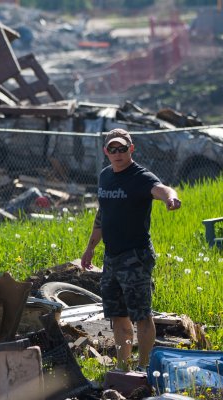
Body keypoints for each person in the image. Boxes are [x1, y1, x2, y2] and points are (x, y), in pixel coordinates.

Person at [80, 129, 181, 371]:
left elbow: (162, 189)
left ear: (131, 149)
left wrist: (171, 198)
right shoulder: (105, 176)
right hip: (112, 258)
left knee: (142, 316)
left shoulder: (140, 177)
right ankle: (124, 368)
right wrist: (90, 248)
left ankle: (144, 368)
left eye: (122, 148)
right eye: (112, 149)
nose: (117, 153)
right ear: (106, 151)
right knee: (118, 316)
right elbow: (102, 214)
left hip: (135, 256)